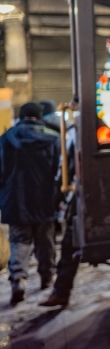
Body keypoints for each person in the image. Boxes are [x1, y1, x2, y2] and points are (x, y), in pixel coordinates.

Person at [38, 105, 110, 309]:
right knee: (70, 242)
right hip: (84, 192)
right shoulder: (75, 134)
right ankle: (61, 292)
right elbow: (68, 166)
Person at [0, 103, 60, 306]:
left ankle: (19, 279)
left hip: (15, 200)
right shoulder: (53, 138)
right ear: (39, 117)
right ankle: (47, 277)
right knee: (46, 241)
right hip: (44, 199)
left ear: (21, 116)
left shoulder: (6, 139)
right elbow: (58, 171)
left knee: (19, 240)